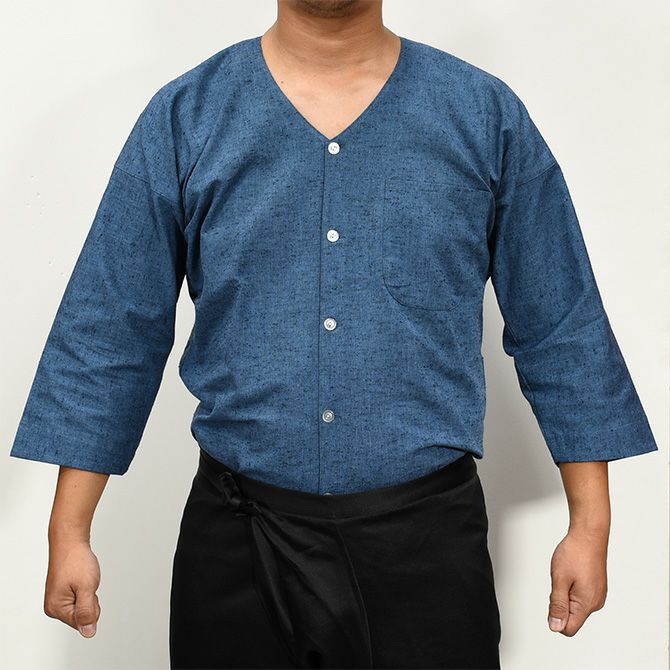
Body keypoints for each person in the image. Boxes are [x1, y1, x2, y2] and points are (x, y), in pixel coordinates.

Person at [9, 1, 659, 668]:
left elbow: (560, 322)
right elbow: (112, 328)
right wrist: (70, 529)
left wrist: (590, 525)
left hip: (427, 552)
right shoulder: (186, 116)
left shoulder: (483, 115)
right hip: (238, 548)